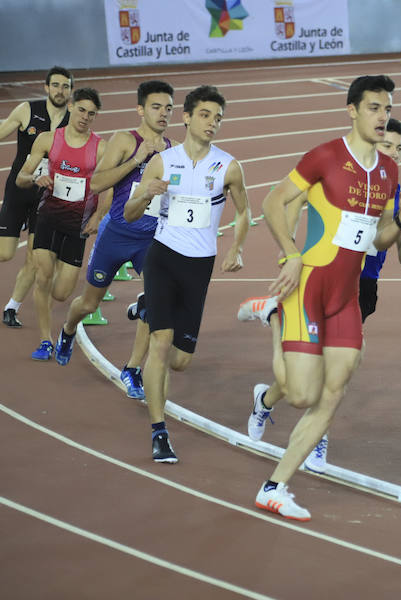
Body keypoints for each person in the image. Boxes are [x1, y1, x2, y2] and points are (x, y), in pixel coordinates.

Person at [252, 75, 401, 521]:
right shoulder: (325, 156)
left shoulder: (388, 170)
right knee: (303, 394)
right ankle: (273, 317)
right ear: (352, 110)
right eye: (373, 108)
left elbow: (378, 241)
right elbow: (272, 202)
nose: (383, 116)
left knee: (334, 392)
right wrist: (289, 252)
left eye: (387, 108)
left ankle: (274, 486)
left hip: (346, 296)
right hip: (309, 286)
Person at [124, 85, 250, 464]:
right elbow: (130, 214)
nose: (213, 123)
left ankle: (146, 309)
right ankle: (159, 433)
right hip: (163, 257)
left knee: (180, 360)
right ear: (187, 117)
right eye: (206, 115)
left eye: (218, 118)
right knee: (160, 345)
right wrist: (145, 193)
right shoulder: (163, 162)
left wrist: (237, 247)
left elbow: (245, 213)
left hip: (199, 266)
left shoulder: (228, 166)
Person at [52, 81, 176, 403]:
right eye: (156, 107)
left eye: (168, 108)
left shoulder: (173, 150)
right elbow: (95, 184)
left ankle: (132, 368)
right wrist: (138, 161)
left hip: (150, 238)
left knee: (156, 302)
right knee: (88, 304)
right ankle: (67, 330)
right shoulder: (125, 140)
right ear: (140, 109)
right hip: (116, 235)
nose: (163, 114)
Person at [15, 87, 105, 361]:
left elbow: (110, 185)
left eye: (91, 114)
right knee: (42, 276)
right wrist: (34, 179)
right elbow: (21, 177)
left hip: (76, 225)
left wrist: (98, 216)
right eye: (81, 110)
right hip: (47, 218)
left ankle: (63, 325)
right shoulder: (47, 140)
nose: (85, 117)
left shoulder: (100, 147)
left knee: (63, 293)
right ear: (71, 107)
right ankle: (45, 340)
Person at [0, 66, 73, 327]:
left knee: (35, 258)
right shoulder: (27, 110)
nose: (60, 90)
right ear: (46, 88)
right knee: (4, 254)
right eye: (55, 85)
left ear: (70, 91)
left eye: (65, 86)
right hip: (19, 189)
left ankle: (12, 307)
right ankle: (18, 223)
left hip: (47, 196)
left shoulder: (72, 121)